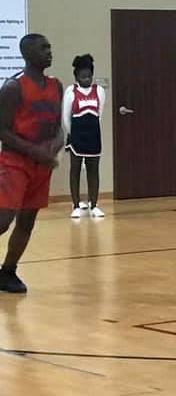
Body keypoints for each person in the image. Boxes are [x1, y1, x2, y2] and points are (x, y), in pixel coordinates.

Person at [0, 34, 64, 293]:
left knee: (27, 221)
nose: (49, 52)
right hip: (15, 162)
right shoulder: (13, 87)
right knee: (3, 220)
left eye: (50, 47)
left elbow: (58, 127)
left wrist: (54, 145)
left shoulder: (56, 85)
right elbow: (2, 130)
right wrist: (35, 151)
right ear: (27, 53)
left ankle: (7, 272)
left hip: (41, 166)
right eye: (43, 48)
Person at [62, 54, 106, 218]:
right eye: (83, 76)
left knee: (93, 171)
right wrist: (72, 135)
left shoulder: (99, 91)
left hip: (93, 136)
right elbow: (66, 117)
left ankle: (94, 204)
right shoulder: (71, 92)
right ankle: (75, 205)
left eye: (89, 76)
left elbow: (99, 115)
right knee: (75, 170)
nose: (86, 79)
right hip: (77, 136)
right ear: (76, 77)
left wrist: (93, 131)